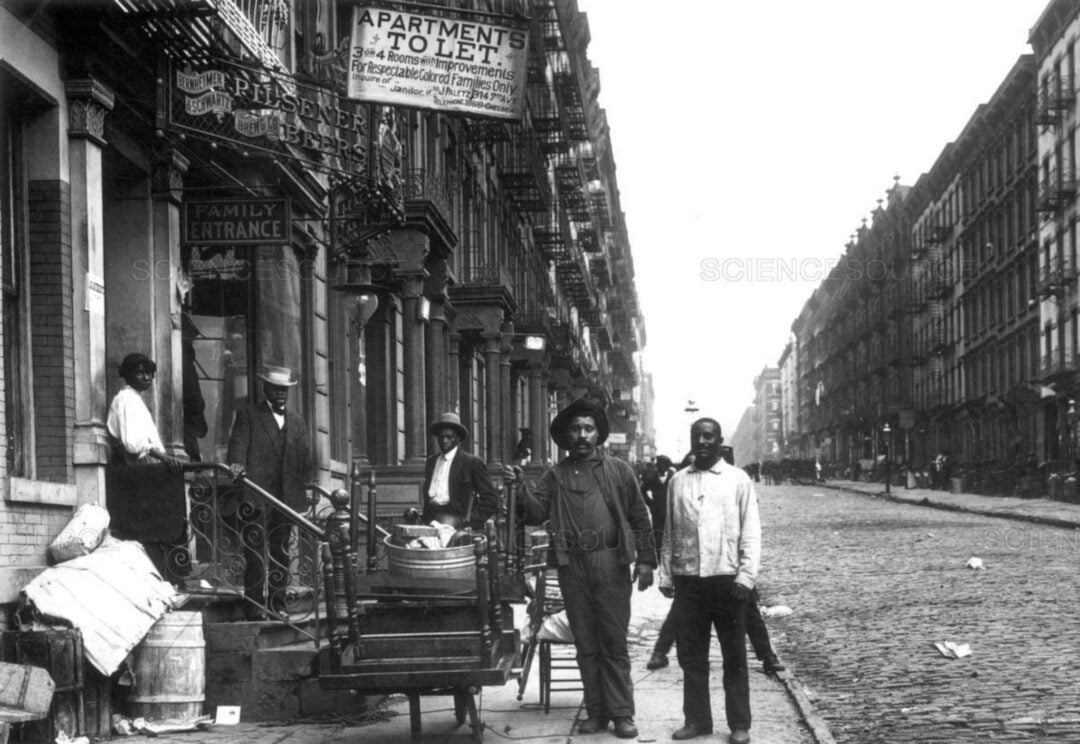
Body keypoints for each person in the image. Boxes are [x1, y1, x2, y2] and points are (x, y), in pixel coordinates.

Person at [517, 398, 656, 739]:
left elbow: (640, 515)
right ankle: (596, 713)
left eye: (588, 429)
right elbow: (536, 514)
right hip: (572, 566)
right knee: (586, 643)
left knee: (613, 642)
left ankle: (622, 714)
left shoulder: (619, 470)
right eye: (576, 429)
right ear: (566, 435)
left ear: (598, 434)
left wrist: (647, 561)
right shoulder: (556, 475)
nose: (582, 435)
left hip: (610, 563)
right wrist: (519, 488)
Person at [660, 418, 760, 743]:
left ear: (719, 442)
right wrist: (666, 573)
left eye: (708, 436)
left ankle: (739, 725)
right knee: (691, 657)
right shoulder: (677, 481)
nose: (702, 442)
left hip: (727, 581)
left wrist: (746, 576)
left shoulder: (738, 480)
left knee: (734, 657)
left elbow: (752, 532)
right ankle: (698, 721)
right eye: (697, 436)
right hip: (689, 582)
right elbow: (670, 531)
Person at [227, 364, 315, 621]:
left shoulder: (297, 421)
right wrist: (237, 464)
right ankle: (253, 606)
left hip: (286, 497)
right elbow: (239, 444)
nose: (280, 394)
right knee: (254, 551)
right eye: (276, 389)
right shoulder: (249, 415)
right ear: (266, 388)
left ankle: (278, 604)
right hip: (256, 494)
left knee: (281, 550)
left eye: (284, 389)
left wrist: (307, 488)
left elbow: (304, 458)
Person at [106, 352, 187, 580]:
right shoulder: (125, 399)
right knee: (155, 524)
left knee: (169, 519)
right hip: (137, 468)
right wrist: (163, 458)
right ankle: (165, 574)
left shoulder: (137, 400)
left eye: (149, 374)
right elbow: (134, 443)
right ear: (128, 374)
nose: (146, 378)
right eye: (140, 373)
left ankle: (173, 573)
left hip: (146, 466)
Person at [420, 412, 498, 531]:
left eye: (449, 437)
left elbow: (490, 499)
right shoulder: (431, 462)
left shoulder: (471, 462)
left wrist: (469, 521)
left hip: (457, 521)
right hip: (431, 519)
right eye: (441, 437)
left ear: (458, 438)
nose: (444, 441)